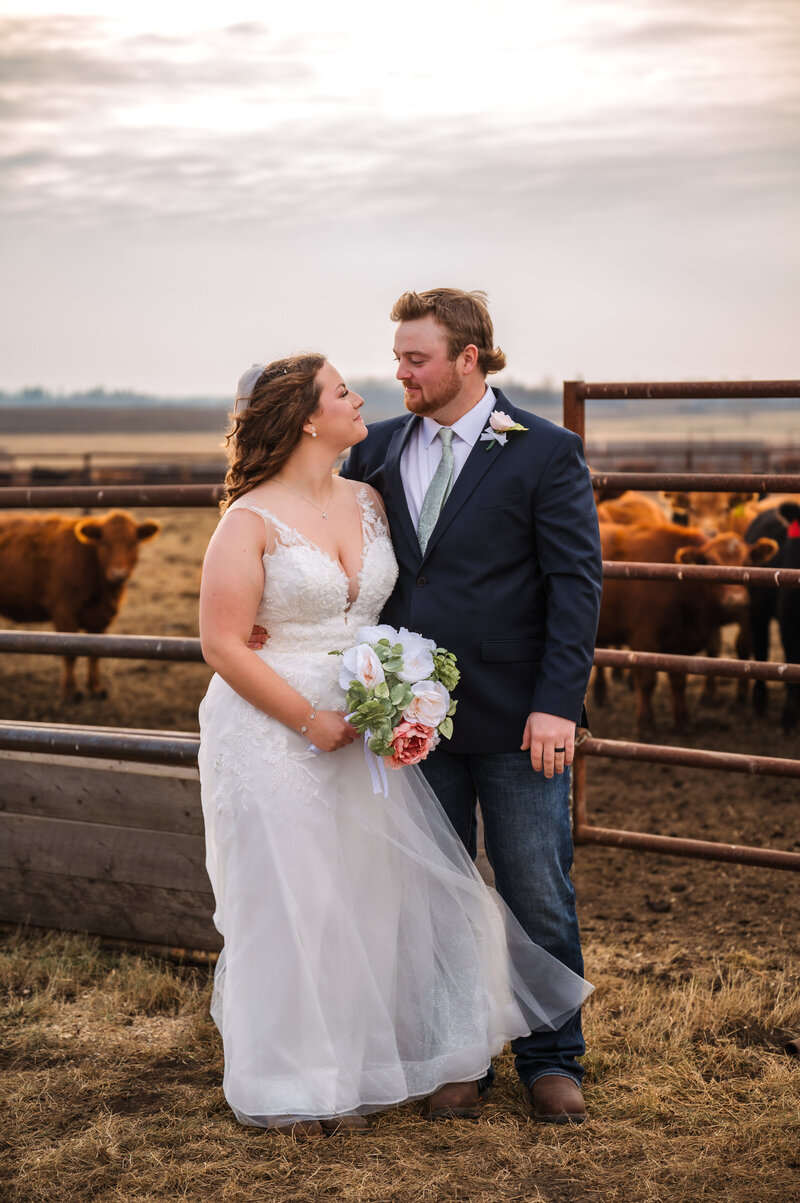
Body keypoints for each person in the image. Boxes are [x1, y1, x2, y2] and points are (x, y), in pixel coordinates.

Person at [198, 353, 592, 1140]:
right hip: (279, 729)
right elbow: (221, 640)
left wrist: (403, 693)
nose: (370, 392)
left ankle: (502, 1060)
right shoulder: (256, 514)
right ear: (310, 419)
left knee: (371, 899)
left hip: (371, 728)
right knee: (292, 900)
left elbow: (442, 590)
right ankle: (292, 1078)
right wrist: (308, 715)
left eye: (411, 357)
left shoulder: (371, 493)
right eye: (345, 389)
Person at [340, 289, 603, 1124]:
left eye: (415, 357)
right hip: (411, 724)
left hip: (521, 719)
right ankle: (458, 1056)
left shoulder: (545, 451)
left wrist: (558, 703)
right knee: (438, 891)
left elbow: (575, 585)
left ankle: (552, 1057)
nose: (399, 372)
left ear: (469, 357)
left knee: (536, 888)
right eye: (397, 356)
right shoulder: (375, 448)